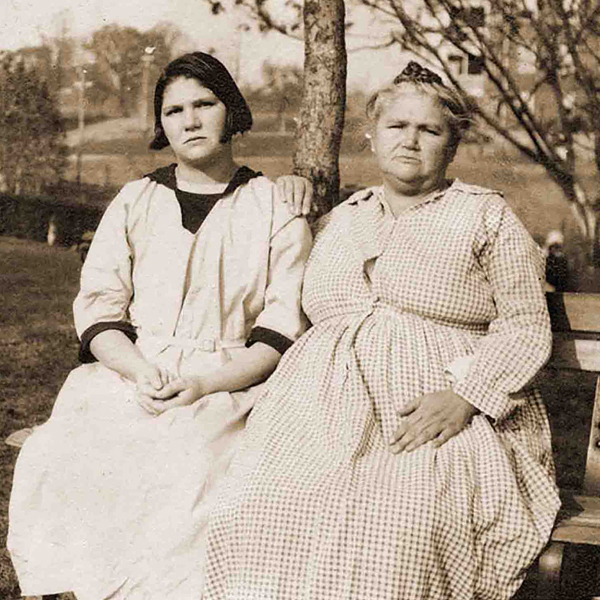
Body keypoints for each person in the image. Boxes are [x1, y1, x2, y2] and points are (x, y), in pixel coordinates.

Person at [202, 62, 561, 600]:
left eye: (429, 130)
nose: (411, 141)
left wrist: (466, 396)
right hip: (315, 419)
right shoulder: (342, 217)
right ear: (373, 134)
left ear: (453, 144)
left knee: (398, 533)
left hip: (434, 413)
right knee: (252, 513)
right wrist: (291, 191)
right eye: (397, 127)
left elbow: (525, 324)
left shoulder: (484, 216)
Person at [7, 51, 313, 600]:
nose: (190, 121)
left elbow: (279, 328)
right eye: (174, 111)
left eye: (205, 104)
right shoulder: (136, 199)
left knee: (189, 465)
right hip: (133, 370)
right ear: (161, 124)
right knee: (59, 452)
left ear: (232, 111)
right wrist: (138, 370)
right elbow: (99, 309)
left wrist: (202, 384)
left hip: (227, 379)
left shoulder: (272, 205)